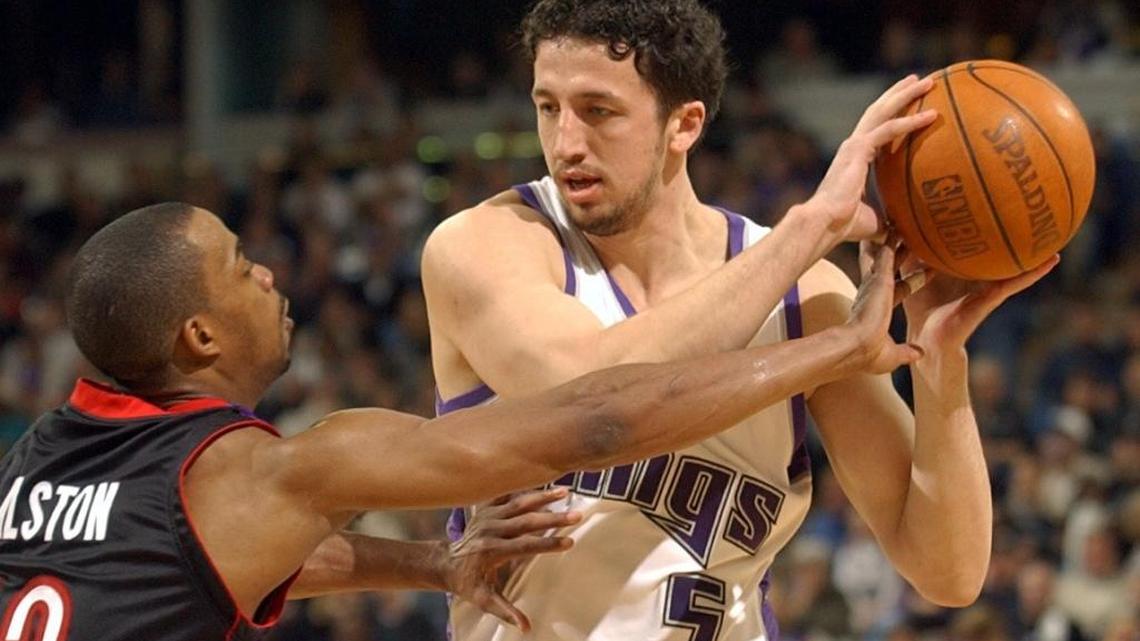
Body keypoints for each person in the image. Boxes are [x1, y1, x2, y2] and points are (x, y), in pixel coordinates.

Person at [421, 1, 1059, 640]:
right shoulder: (487, 246)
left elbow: (947, 573)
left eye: (598, 111)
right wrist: (811, 226)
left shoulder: (806, 297)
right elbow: (593, 402)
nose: (566, 144)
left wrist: (938, 357)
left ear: (685, 124)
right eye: (548, 107)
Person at [0, 202, 914, 641]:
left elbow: (224, 552)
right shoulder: (258, 470)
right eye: (241, 266)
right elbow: (591, 422)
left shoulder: (39, 459)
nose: (268, 272)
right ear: (198, 334)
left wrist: (434, 564)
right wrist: (834, 349)